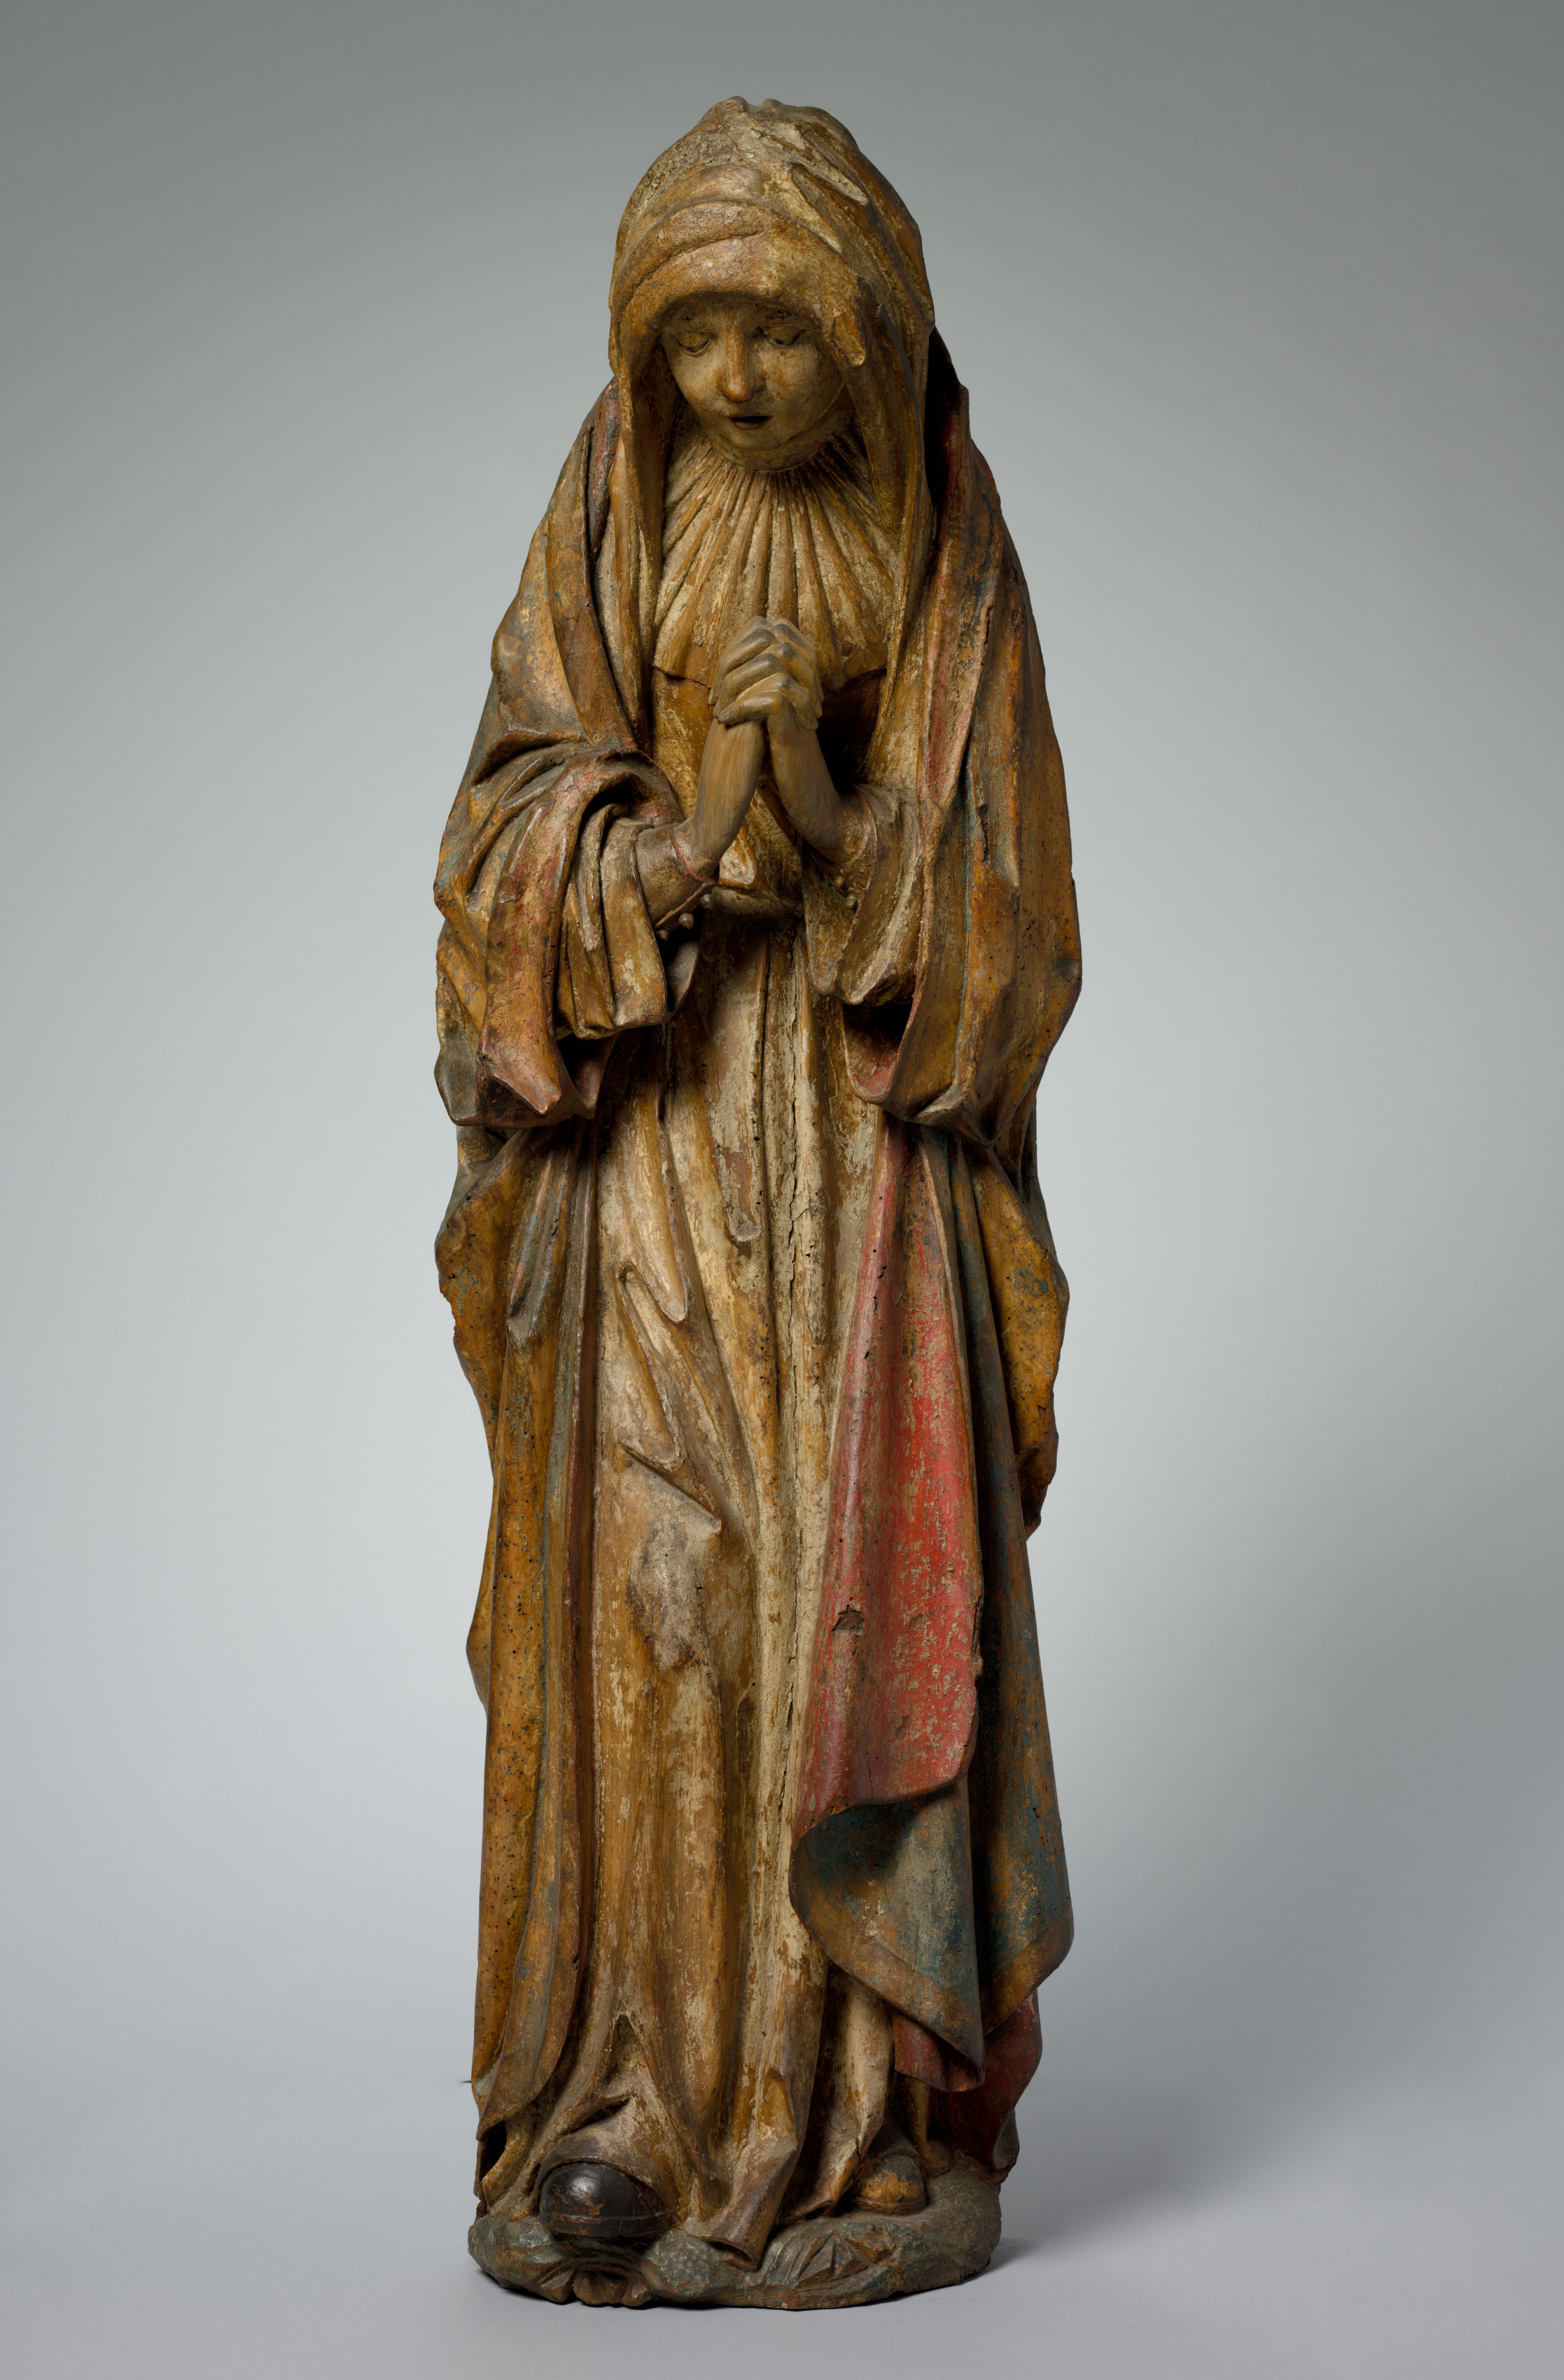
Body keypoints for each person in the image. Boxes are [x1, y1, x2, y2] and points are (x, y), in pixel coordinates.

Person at [433, 97, 1081, 2264]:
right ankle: (628, 2102)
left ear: (864, 325)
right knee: (657, 1604)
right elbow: (502, 817)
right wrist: (623, 861)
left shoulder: (942, 545)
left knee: (837, 1597)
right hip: (653, 1141)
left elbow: (1011, 903)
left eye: (776, 331)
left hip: (855, 1161)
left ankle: (859, 2128)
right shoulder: (612, 508)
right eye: (691, 335)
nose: (730, 377)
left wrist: (835, 818)